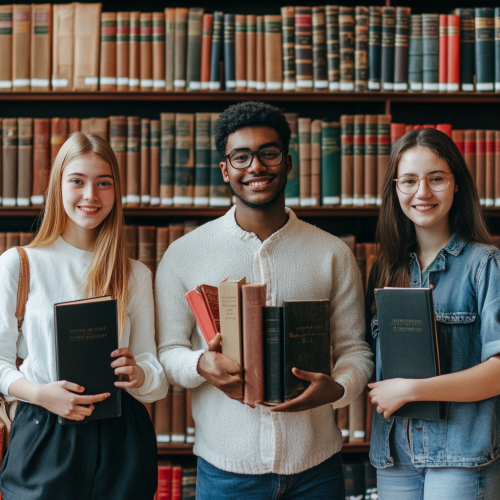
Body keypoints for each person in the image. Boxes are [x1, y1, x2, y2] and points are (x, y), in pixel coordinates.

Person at [155, 101, 373, 500]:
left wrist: (339, 388)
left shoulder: (331, 253)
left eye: (268, 153)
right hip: (225, 472)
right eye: (241, 157)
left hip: (317, 468)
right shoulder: (184, 253)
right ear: (225, 169)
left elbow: (356, 350)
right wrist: (200, 363)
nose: (255, 167)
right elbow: (167, 350)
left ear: (288, 162)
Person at [0, 132, 168, 500]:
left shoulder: (134, 274)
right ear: (57, 185)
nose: (91, 196)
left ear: (115, 192)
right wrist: (42, 394)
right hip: (43, 430)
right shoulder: (20, 264)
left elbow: (156, 383)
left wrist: (137, 373)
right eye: (77, 181)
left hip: (122, 437)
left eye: (103, 183)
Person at [366, 128, 500, 500]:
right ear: (396, 189)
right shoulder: (384, 270)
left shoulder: (484, 265)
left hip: (461, 454)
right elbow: (364, 357)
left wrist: (413, 389)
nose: (422, 193)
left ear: (456, 184)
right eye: (409, 180)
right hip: (396, 456)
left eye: (436, 178)